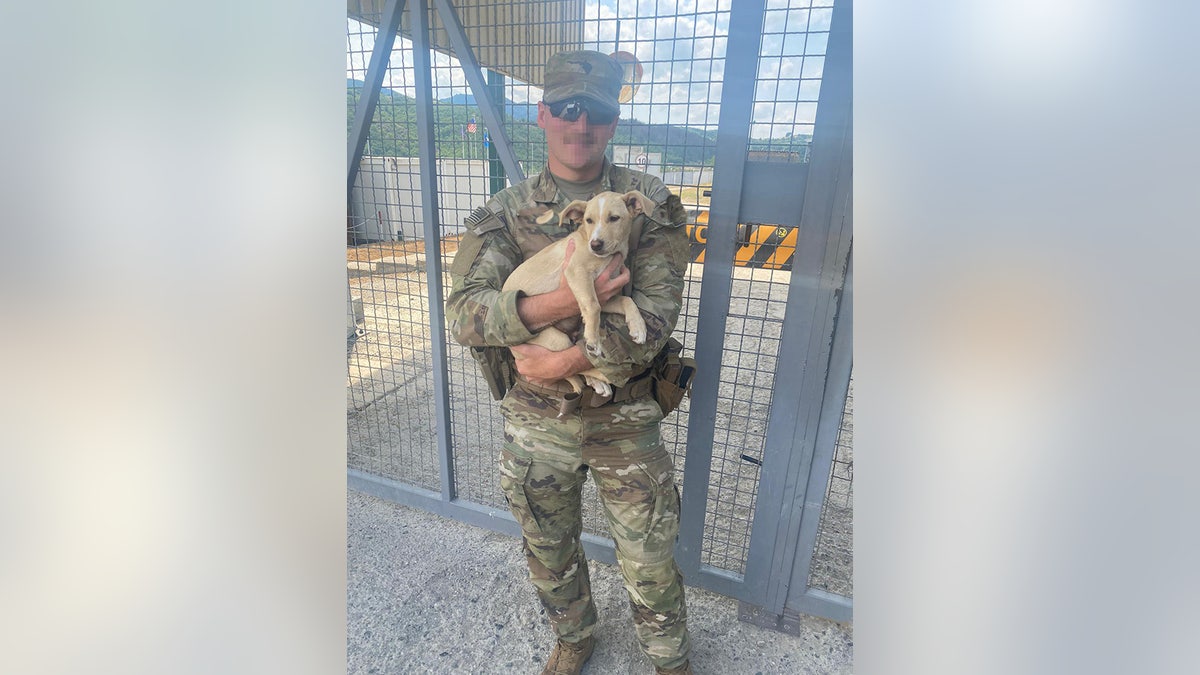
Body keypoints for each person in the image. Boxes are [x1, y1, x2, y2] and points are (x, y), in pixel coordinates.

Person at [445, 50, 694, 675]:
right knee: (549, 548)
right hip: (536, 421)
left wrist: (564, 360)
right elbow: (464, 315)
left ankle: (669, 661)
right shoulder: (507, 212)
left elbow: (656, 318)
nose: (580, 124)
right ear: (543, 114)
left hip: (626, 415)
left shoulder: (648, 206)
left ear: (613, 122)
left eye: (598, 112)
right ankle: (575, 637)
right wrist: (555, 302)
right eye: (566, 109)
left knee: (649, 558)